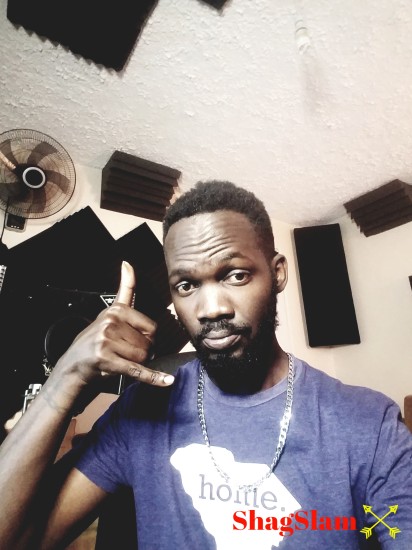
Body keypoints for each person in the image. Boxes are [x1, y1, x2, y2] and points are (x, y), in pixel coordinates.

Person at [0, 181, 411, 550]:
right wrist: (65, 378)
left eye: (235, 275)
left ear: (277, 274)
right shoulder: (139, 412)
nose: (211, 308)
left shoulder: (367, 422)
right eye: (187, 285)